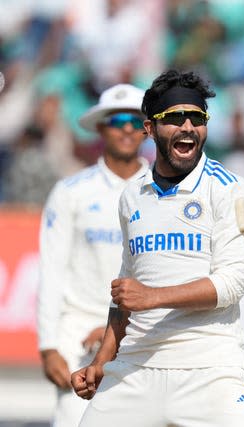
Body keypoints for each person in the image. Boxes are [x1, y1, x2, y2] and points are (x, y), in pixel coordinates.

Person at [70, 70, 244, 427]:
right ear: (150, 129)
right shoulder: (132, 194)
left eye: (198, 118)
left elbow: (232, 285)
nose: (188, 126)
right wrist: (100, 361)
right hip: (135, 366)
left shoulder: (231, 190)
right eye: (175, 117)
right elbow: (126, 291)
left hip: (210, 368)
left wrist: (152, 297)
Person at [37, 83, 149, 427]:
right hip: (76, 333)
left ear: (147, 128)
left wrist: (116, 329)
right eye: (118, 120)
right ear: (101, 128)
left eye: (135, 120)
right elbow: (51, 269)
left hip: (141, 332)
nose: (127, 128)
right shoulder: (71, 191)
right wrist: (49, 344)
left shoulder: (163, 191)